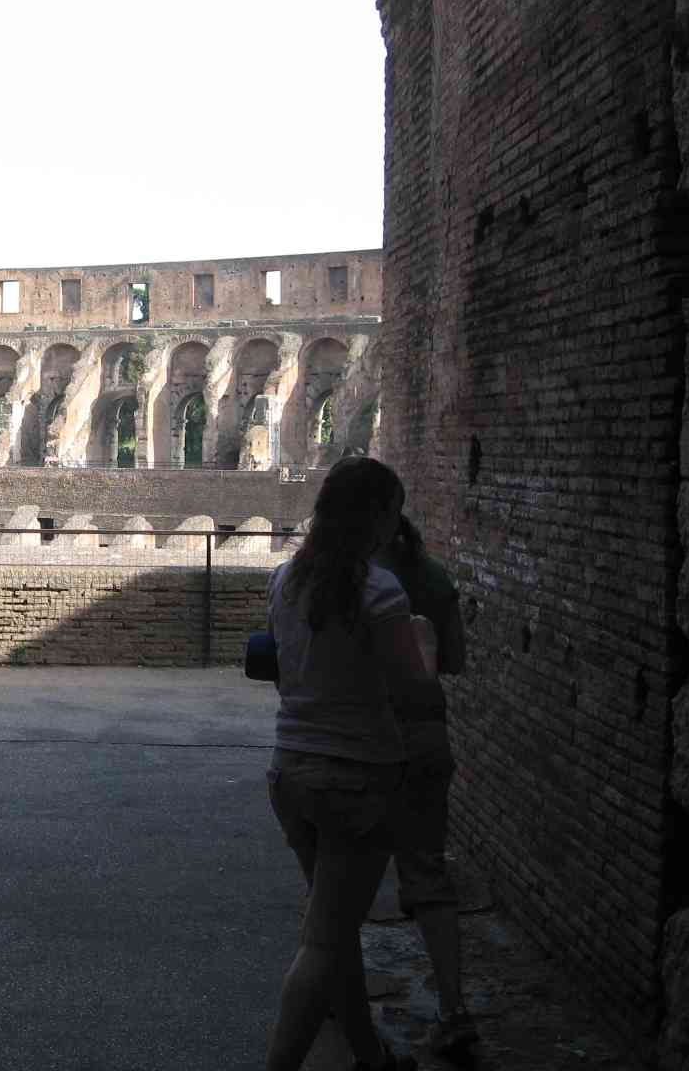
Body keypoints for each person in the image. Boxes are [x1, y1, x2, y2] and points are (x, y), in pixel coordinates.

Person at [265, 456, 438, 1071]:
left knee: (333, 929)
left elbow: (286, 674)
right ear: (380, 517)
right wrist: (424, 642)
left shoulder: (285, 581)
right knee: (324, 940)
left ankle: (369, 1055)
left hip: (291, 771)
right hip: (358, 778)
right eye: (394, 513)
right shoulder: (379, 591)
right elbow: (415, 694)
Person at [376, 516, 477, 1057]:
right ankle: (454, 1009)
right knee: (428, 874)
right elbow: (454, 661)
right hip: (423, 737)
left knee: (336, 880)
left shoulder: (340, 578)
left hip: (359, 735)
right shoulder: (433, 577)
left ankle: (335, 996)